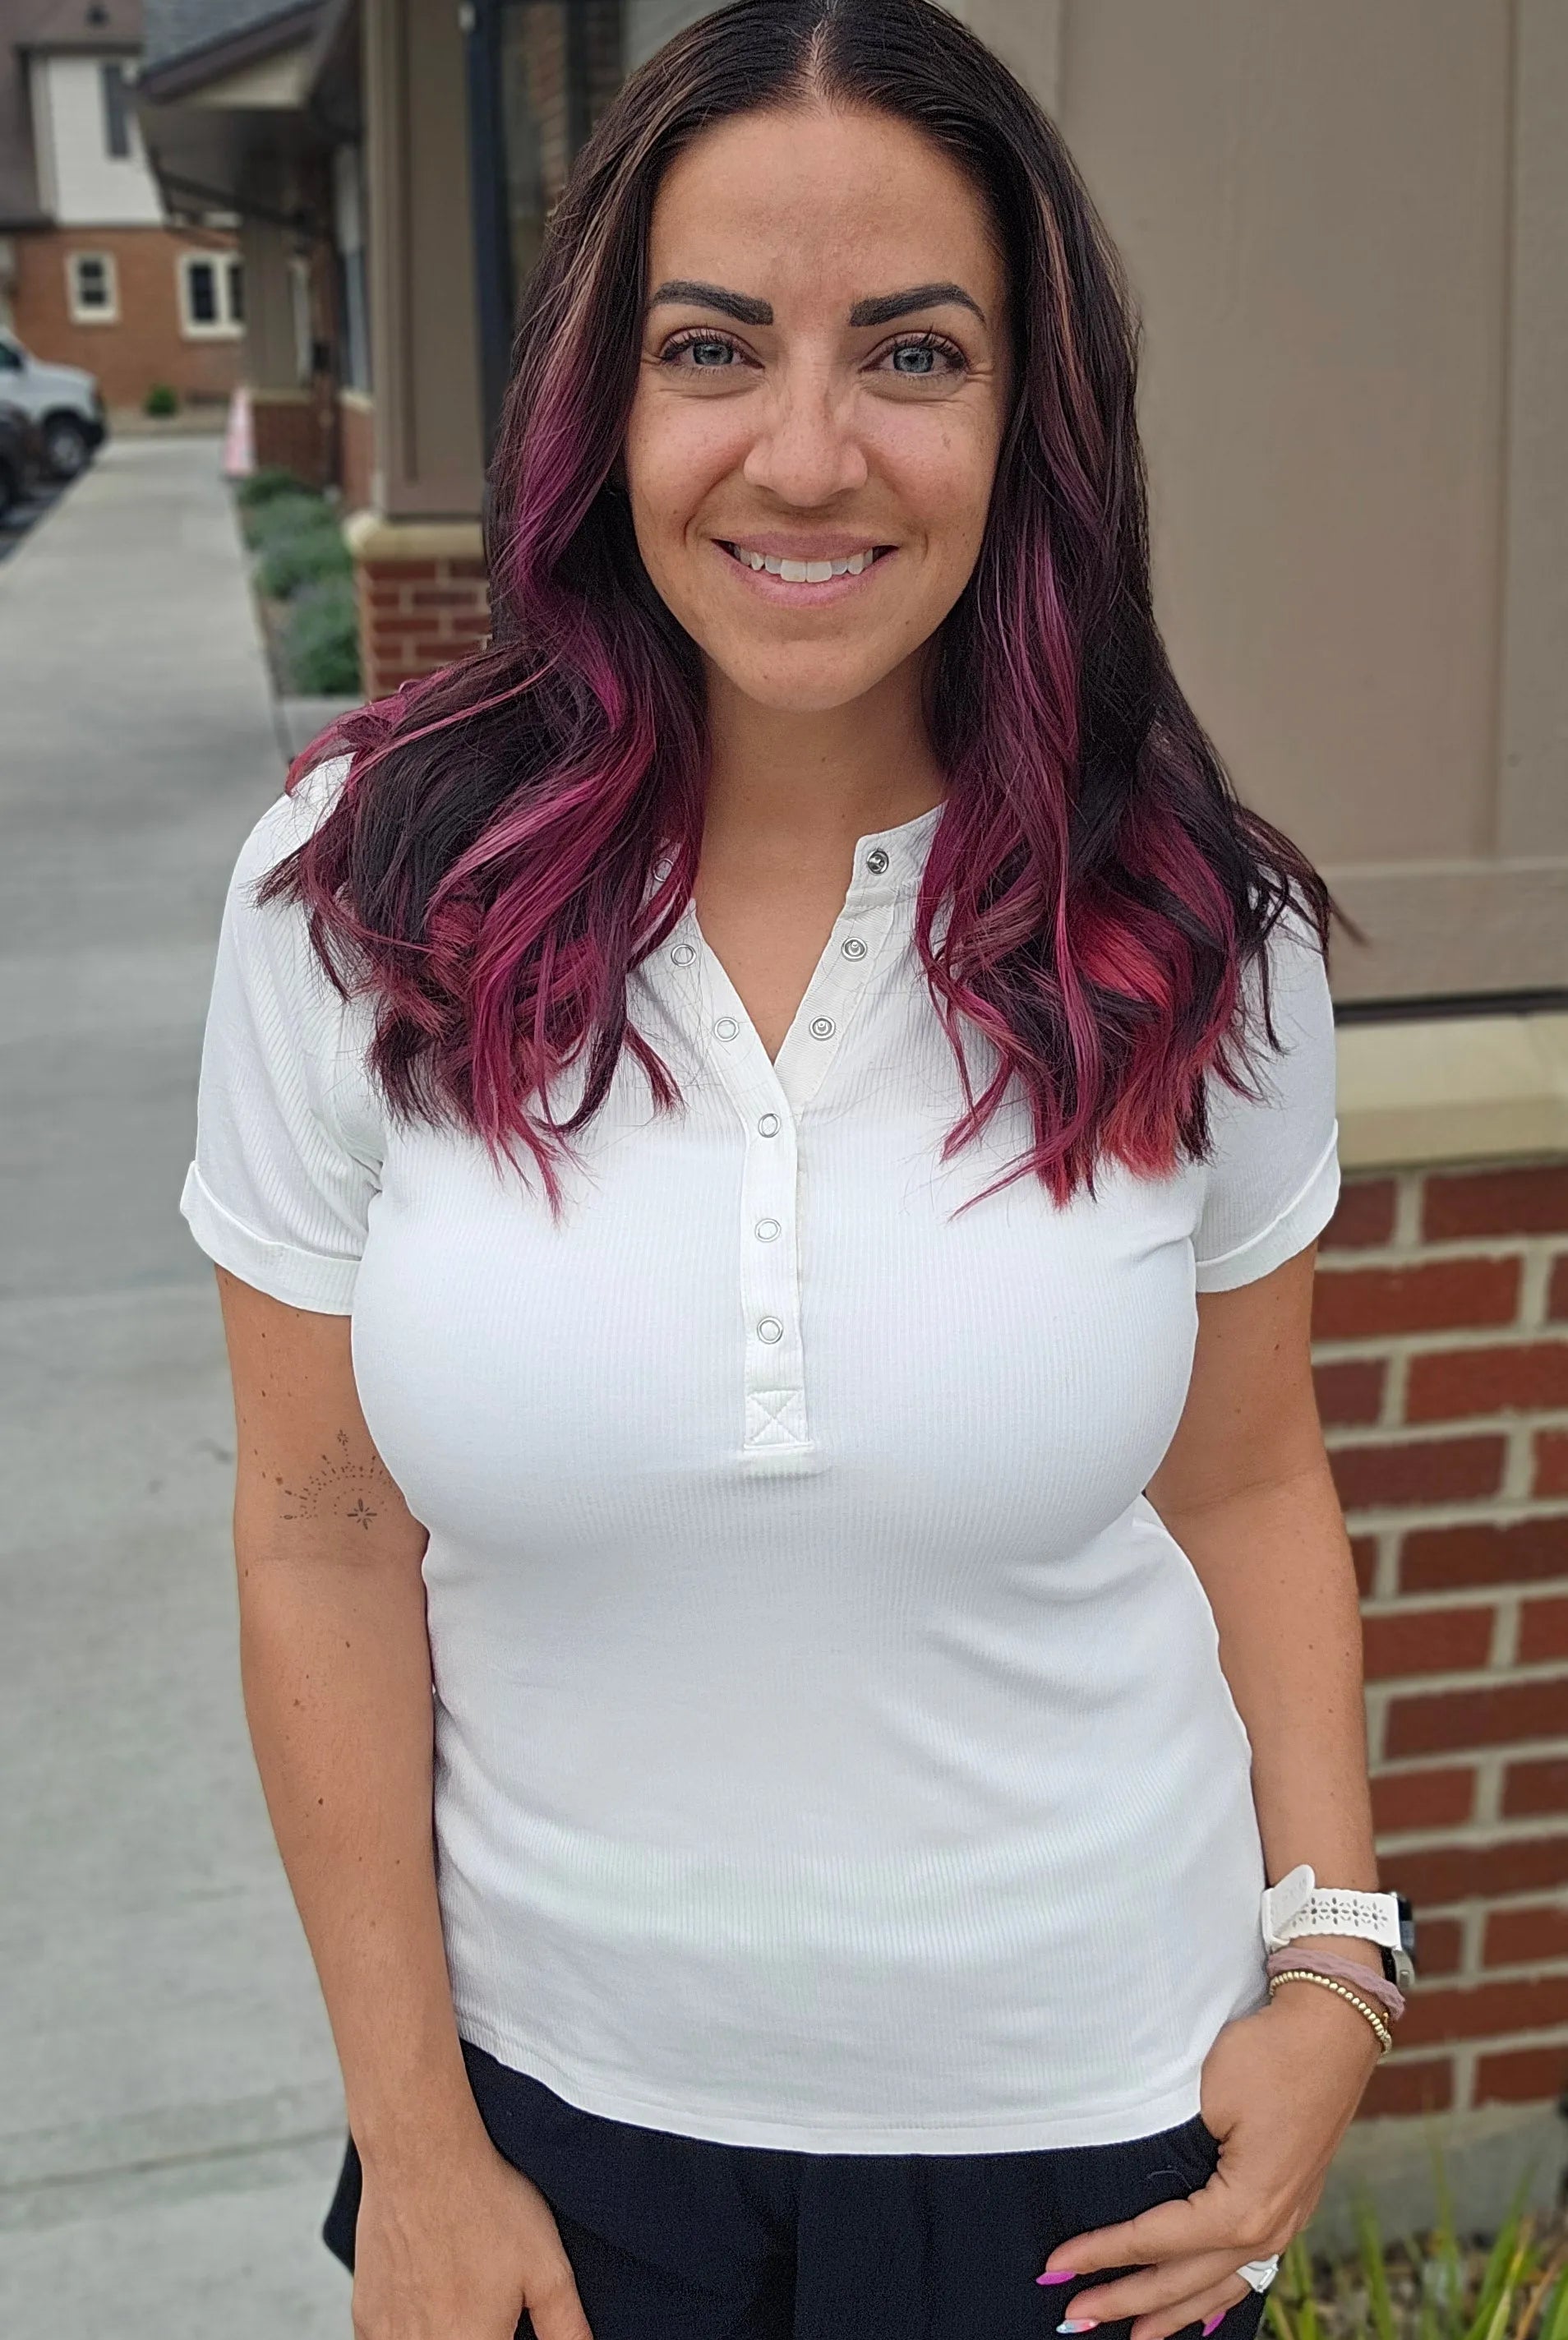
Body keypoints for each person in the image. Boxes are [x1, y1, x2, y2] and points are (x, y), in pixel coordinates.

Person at [178, 5, 1414, 2337]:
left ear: (1025, 419)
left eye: (914, 354)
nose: (809, 452)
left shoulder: (1193, 929)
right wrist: (417, 2146)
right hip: (549, 2140)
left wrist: (1330, 1970)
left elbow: (1248, 1485)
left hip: (1093, 2147)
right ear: (604, 405)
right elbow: (319, 1533)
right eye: (715, 345)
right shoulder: (354, 899)